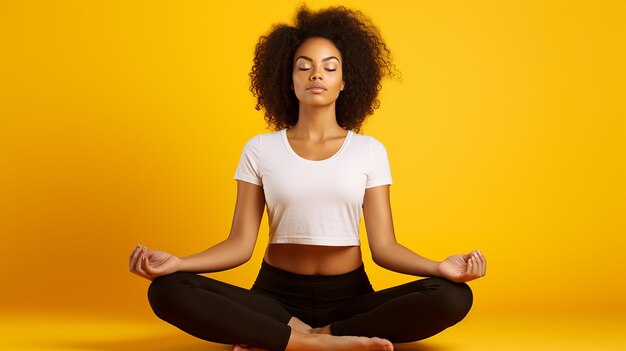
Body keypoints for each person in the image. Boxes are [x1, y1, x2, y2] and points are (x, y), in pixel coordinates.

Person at [128, 5, 486, 351]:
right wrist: (179, 263)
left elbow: (385, 249)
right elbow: (239, 245)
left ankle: (298, 338)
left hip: (350, 301)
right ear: (290, 79)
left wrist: (438, 267)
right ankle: (314, 343)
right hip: (275, 301)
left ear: (346, 81)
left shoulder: (369, 150)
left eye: (330, 68)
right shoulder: (260, 149)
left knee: (453, 296)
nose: (317, 74)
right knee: (167, 290)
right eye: (304, 67)